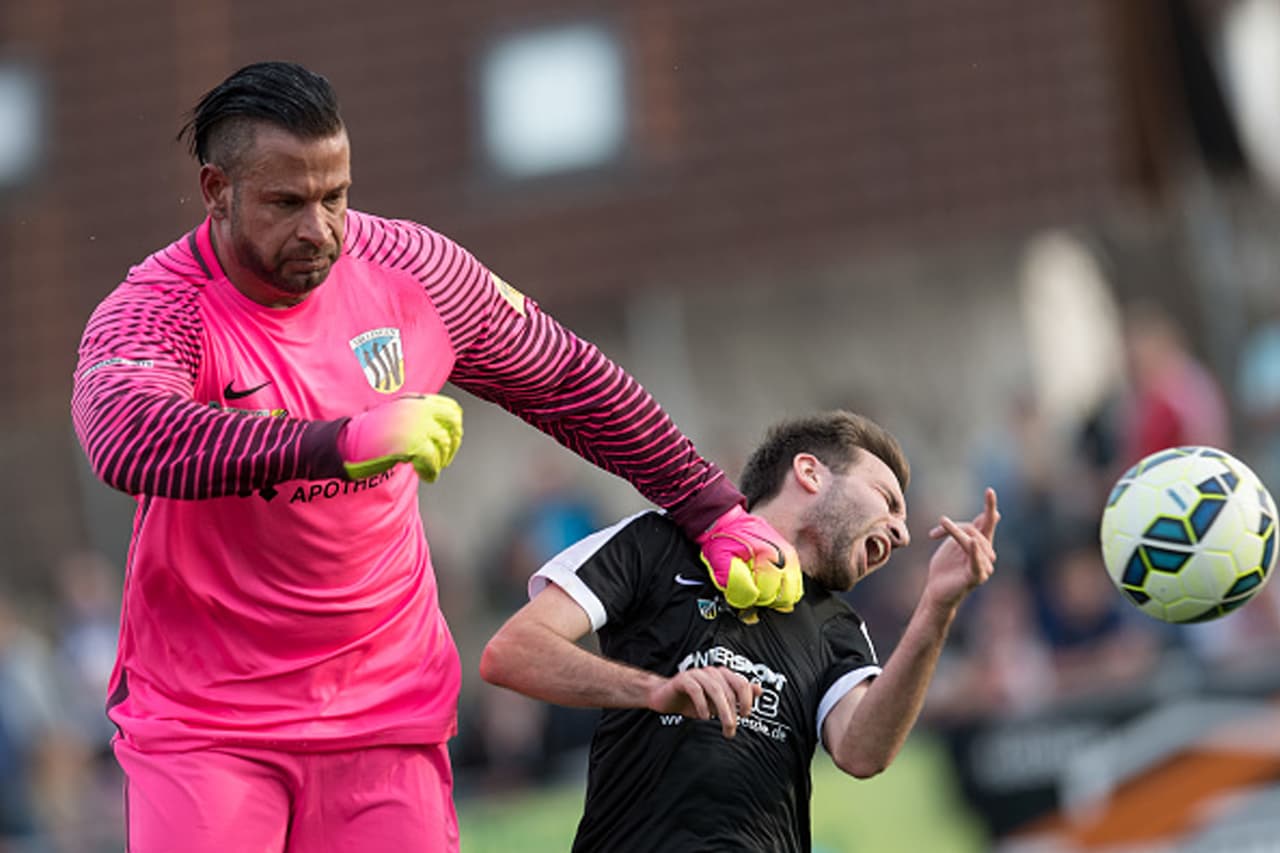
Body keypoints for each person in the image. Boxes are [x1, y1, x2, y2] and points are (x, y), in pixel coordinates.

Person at [70, 61, 801, 852]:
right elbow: (126, 430)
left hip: (386, 711)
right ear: (217, 191)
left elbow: (567, 378)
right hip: (209, 724)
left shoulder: (411, 270)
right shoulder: (160, 308)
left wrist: (712, 506)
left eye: (335, 196)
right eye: (286, 203)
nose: (319, 228)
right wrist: (339, 443)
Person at [481, 411, 999, 852]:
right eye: (886, 500)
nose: (903, 533)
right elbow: (512, 652)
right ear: (810, 472)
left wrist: (937, 607)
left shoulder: (836, 625)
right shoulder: (657, 542)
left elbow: (861, 752)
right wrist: (654, 691)